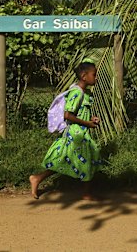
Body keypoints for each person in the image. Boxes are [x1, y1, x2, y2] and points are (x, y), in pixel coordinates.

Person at [29, 60, 101, 200]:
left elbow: (79, 112)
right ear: (84, 76)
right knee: (86, 158)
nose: (96, 77)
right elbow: (67, 115)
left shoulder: (84, 93)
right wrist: (87, 123)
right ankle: (85, 193)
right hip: (76, 134)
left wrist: (91, 118)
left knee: (67, 159)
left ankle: (37, 178)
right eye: (94, 74)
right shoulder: (77, 93)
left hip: (81, 132)